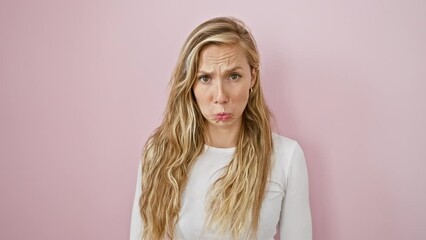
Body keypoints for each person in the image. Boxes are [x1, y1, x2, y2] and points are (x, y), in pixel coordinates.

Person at [130, 17, 312, 240]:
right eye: (205, 78)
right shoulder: (158, 153)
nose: (220, 96)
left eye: (233, 76)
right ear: (190, 83)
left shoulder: (286, 156)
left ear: (252, 77)